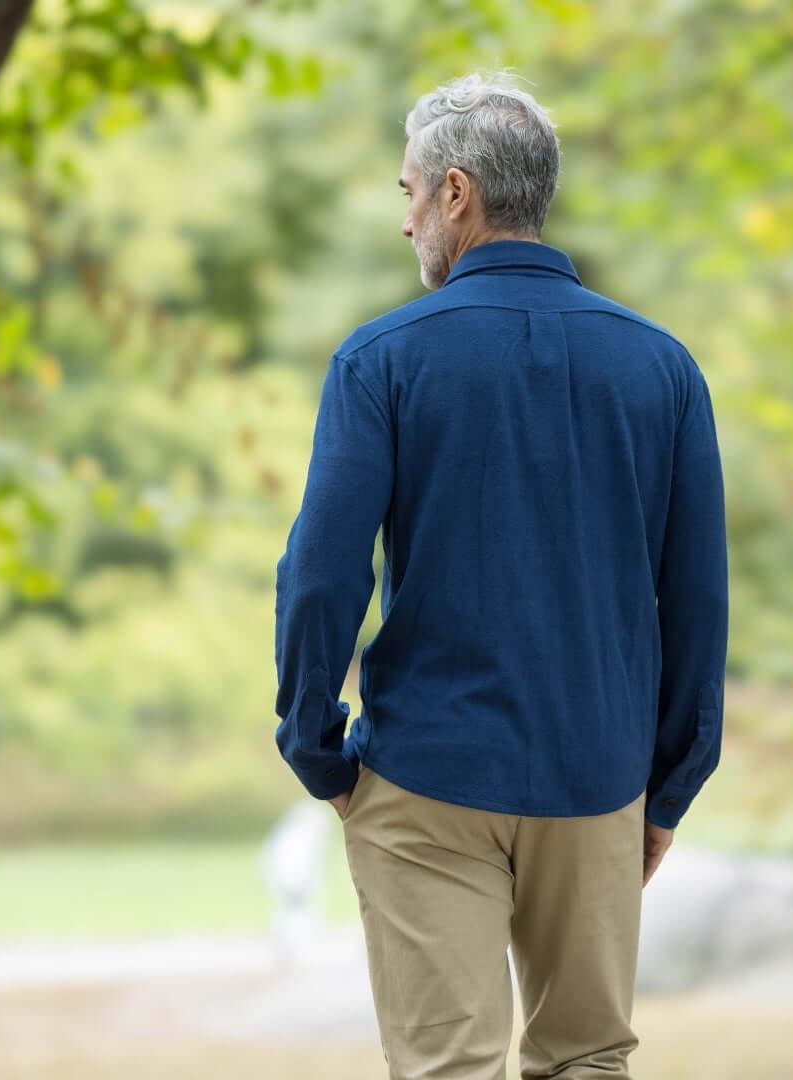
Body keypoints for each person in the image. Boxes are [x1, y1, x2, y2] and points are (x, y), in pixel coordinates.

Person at [274, 71, 728, 1080]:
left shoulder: (379, 361)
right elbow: (696, 598)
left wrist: (315, 744)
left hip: (426, 774)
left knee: (449, 1070)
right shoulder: (663, 368)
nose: (405, 223)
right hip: (598, 777)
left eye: (408, 192)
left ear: (456, 193)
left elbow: (322, 573)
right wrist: (665, 792)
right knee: (587, 1061)